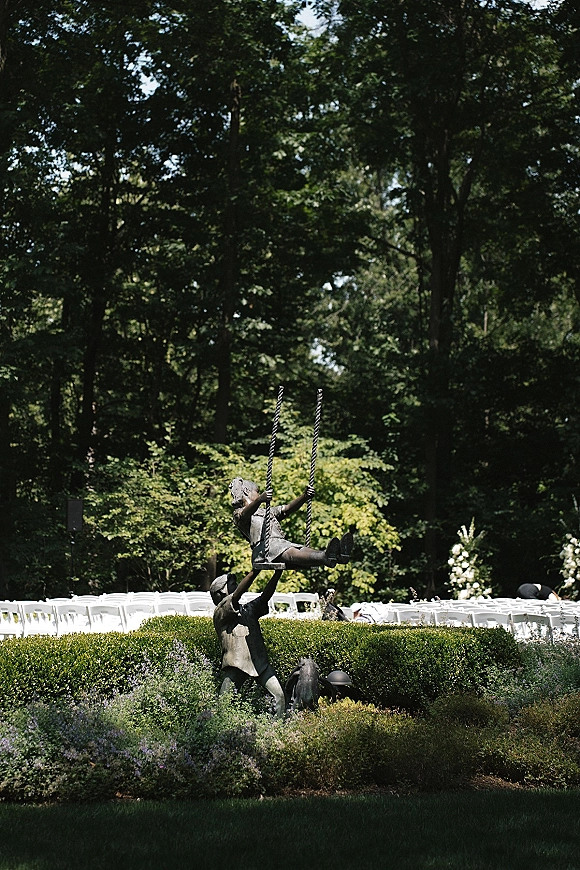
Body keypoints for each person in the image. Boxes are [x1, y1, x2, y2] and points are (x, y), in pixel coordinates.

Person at [210, 566, 286, 717]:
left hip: (259, 663)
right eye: (232, 584)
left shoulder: (247, 610)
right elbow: (237, 595)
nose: (236, 585)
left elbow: (265, 596)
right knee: (223, 705)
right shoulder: (221, 611)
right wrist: (255, 570)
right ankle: (221, 736)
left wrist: (278, 572)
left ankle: (276, 732)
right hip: (236, 665)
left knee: (280, 697)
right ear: (221, 592)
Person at [229, 477, 353, 569]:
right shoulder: (238, 514)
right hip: (264, 549)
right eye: (257, 491)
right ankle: (325, 557)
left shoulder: (266, 511)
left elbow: (287, 509)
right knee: (289, 551)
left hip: (280, 544)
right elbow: (245, 514)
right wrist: (261, 499)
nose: (259, 493)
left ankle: (335, 556)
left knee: (301, 549)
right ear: (246, 491)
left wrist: (304, 496)